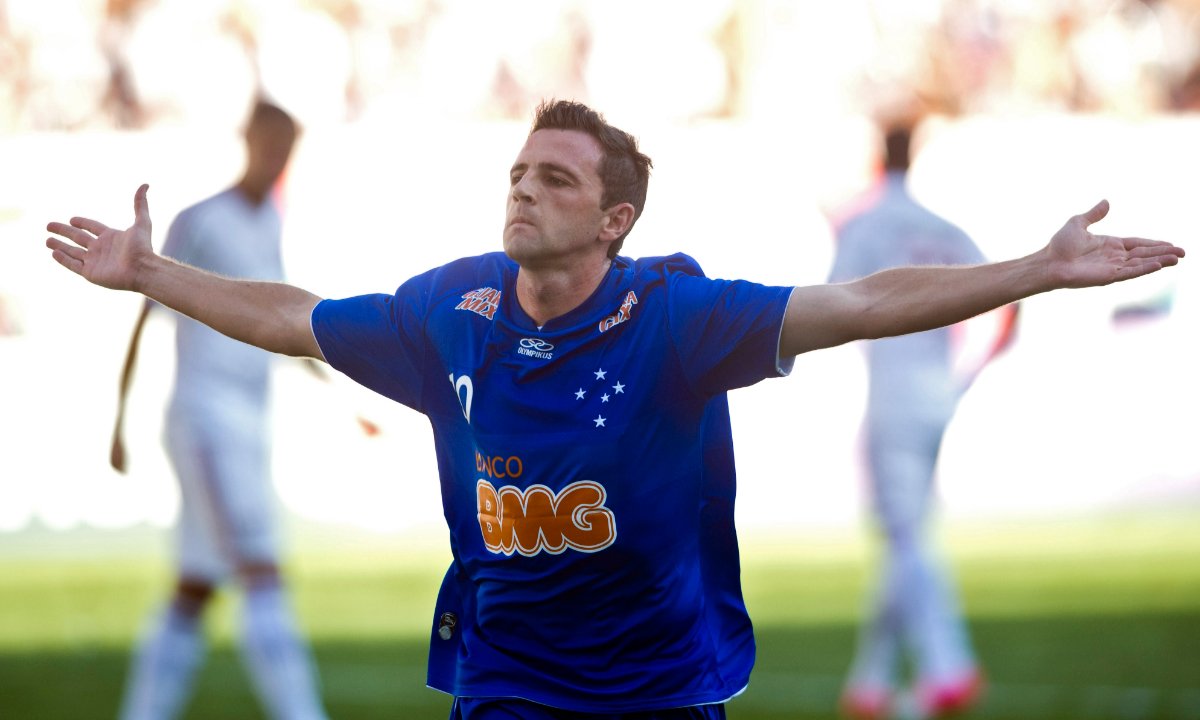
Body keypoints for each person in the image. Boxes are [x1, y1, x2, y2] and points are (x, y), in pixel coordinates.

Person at [45, 100, 1183, 720]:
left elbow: (863, 300)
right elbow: (292, 317)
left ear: (615, 221)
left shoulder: (678, 320)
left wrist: (1035, 266)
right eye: (519, 172)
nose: (525, 190)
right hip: (508, 684)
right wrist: (152, 276)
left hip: (661, 689)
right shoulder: (452, 312)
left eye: (558, 180)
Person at [107, 99, 329, 720]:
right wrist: (119, 421)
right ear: (249, 139)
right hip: (206, 419)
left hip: (251, 422)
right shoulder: (200, 220)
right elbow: (143, 312)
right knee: (261, 566)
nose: (278, 155)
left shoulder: (269, 223)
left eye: (288, 145)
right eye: (270, 142)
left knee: (195, 586)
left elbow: (277, 324)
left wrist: (339, 394)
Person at [828, 118, 1018, 720]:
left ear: (877, 158)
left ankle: (947, 667)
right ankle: (871, 682)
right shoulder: (943, 228)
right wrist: (969, 374)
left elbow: (830, 305)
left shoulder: (865, 224)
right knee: (904, 535)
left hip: (892, 391)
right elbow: (1006, 301)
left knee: (906, 538)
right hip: (939, 389)